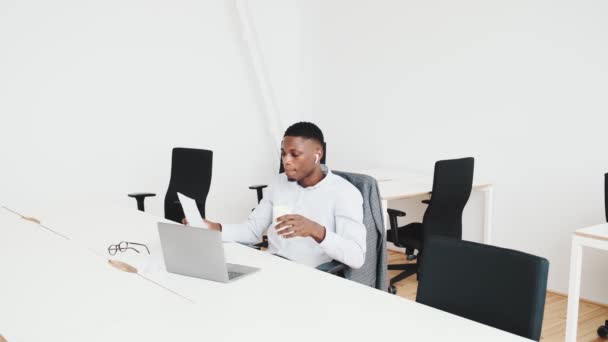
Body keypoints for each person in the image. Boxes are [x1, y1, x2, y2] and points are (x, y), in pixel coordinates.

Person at [185, 122, 366, 269]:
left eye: (295, 154)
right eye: (283, 154)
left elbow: (357, 257)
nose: (286, 160)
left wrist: (316, 230)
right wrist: (212, 227)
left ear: (317, 155)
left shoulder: (344, 193)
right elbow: (252, 230)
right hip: (272, 266)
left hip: (310, 276)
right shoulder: (279, 183)